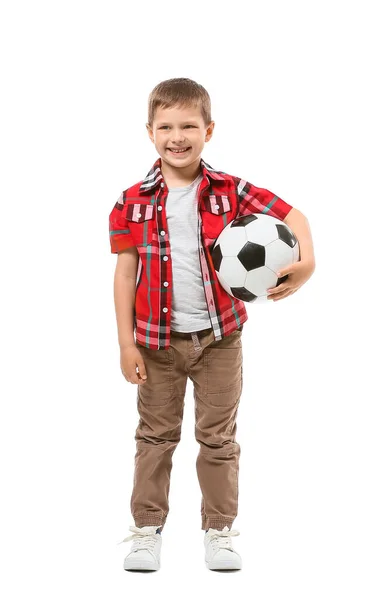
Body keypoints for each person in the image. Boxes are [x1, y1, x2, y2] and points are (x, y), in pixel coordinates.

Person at [109, 78, 315, 571]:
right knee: (155, 436)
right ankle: (146, 531)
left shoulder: (231, 191)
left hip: (221, 339)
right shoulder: (131, 200)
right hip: (156, 343)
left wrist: (306, 266)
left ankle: (218, 530)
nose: (177, 136)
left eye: (188, 126)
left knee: (218, 437)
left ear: (208, 130)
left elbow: (295, 216)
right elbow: (125, 272)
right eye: (166, 126)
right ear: (149, 132)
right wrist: (125, 344)